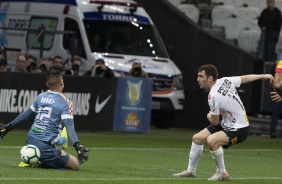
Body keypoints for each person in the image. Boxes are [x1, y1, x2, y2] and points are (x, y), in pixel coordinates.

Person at [173, 64, 273, 181]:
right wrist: (263, 76)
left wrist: (209, 116)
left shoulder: (213, 96)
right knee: (197, 139)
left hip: (239, 129)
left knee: (212, 141)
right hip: (227, 123)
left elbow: (214, 122)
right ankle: (191, 171)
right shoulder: (225, 81)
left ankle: (222, 173)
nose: (197, 79)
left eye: (201, 76)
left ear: (210, 78)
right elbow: (244, 78)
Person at [0, 70, 89, 170]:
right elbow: (69, 126)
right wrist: (77, 146)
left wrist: (8, 127)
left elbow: (25, 116)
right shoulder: (66, 103)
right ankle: (44, 163)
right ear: (62, 82)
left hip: (30, 141)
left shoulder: (40, 97)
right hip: (45, 147)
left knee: (57, 147)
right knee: (75, 165)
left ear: (47, 84)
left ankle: (41, 159)